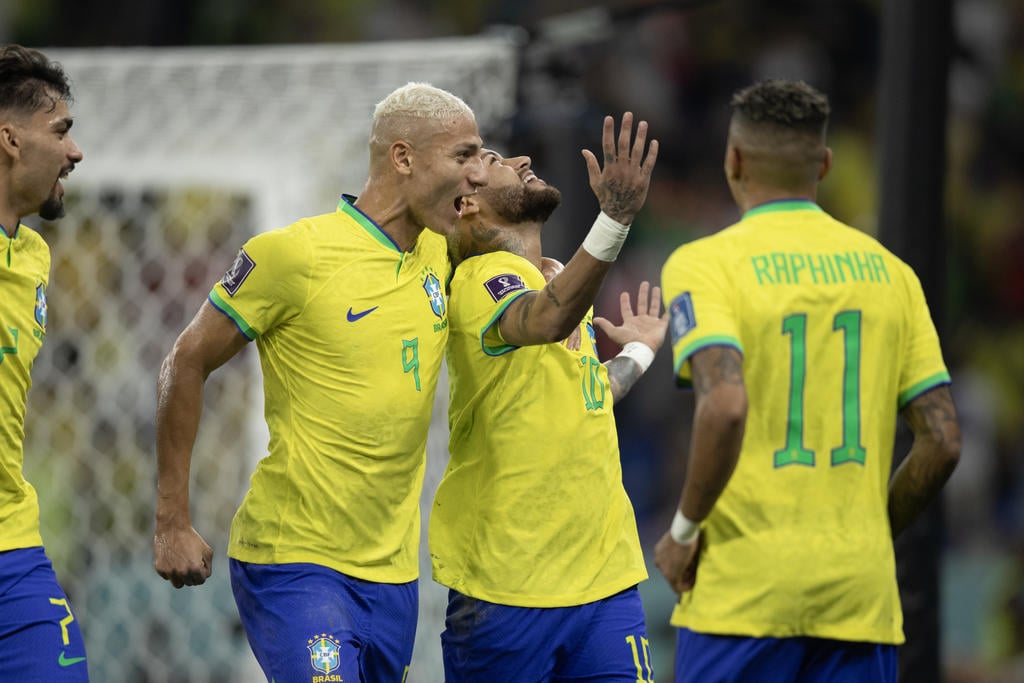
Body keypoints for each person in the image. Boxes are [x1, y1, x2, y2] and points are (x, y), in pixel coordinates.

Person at [152, 82, 487, 683]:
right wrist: (172, 519)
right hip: (293, 562)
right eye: (463, 156)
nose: (476, 177)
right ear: (403, 157)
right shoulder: (293, 256)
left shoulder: (442, 253)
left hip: (392, 577)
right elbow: (187, 360)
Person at [655, 78, 961, 683]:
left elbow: (725, 405)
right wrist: (873, 531)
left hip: (742, 598)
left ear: (733, 159)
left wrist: (684, 531)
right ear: (824, 165)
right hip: (858, 602)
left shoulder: (706, 263)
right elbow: (943, 440)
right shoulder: (893, 275)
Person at [430, 112, 663, 682]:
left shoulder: (554, 278)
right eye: (496, 163)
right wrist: (614, 217)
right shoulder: (482, 280)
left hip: (606, 584)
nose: (521, 162)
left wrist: (637, 356)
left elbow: (587, 396)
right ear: (468, 205)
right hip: (508, 590)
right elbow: (546, 319)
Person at [0, 45, 88, 680]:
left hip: (13, 544)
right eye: (61, 131)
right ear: (9, 139)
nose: (75, 152)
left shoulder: (33, 258)